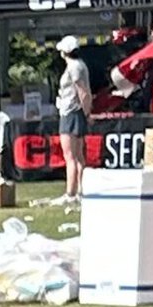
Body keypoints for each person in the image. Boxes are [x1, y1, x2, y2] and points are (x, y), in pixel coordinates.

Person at [57, 35, 91, 203]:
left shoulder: (74, 68)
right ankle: (80, 190)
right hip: (74, 111)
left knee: (70, 156)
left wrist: (86, 113)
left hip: (71, 112)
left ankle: (70, 192)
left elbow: (82, 91)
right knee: (78, 156)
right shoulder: (80, 65)